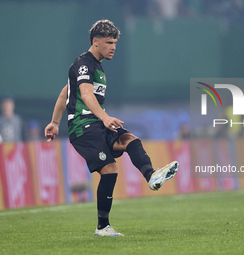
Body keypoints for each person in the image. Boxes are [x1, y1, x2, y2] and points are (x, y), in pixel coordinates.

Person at [44, 19, 179, 237]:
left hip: (97, 124)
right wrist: (105, 117)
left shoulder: (96, 66)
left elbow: (64, 93)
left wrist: (54, 122)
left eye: (115, 42)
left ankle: (152, 176)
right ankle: (103, 227)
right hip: (83, 127)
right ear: (95, 42)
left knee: (130, 140)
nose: (113, 46)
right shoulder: (84, 63)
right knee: (109, 170)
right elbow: (86, 95)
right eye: (109, 42)